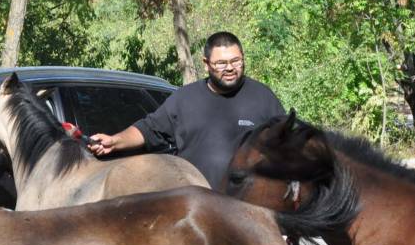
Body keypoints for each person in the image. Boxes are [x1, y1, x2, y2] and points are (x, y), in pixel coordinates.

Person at [87, 31, 285, 190]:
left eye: (236, 61)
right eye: (221, 63)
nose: (230, 68)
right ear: (206, 64)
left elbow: (288, 148)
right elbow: (149, 129)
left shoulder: (263, 98)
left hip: (249, 211)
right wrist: (115, 141)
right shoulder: (184, 99)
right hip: (196, 210)